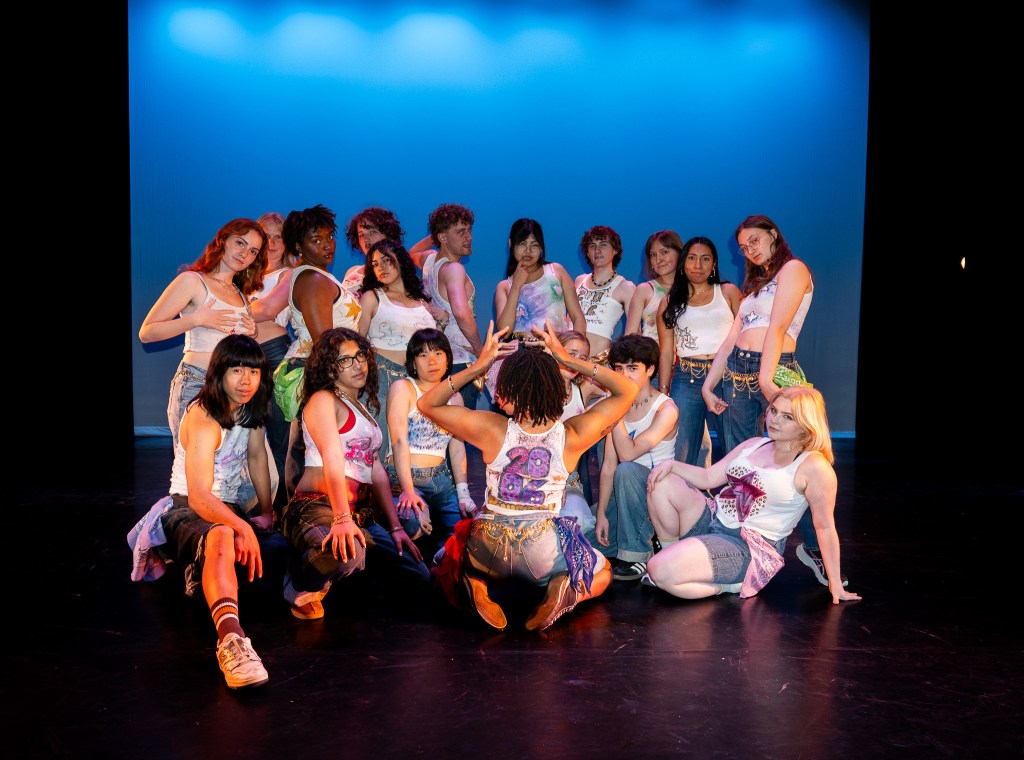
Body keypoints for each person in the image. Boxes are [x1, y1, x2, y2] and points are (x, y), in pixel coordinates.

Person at [418, 319, 638, 633]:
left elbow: (427, 403)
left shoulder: (491, 428)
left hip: (488, 545)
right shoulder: (572, 435)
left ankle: (476, 583)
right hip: (542, 549)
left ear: (512, 388)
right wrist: (568, 360)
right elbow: (628, 389)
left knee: (447, 561)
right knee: (601, 571)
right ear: (553, 387)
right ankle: (565, 589)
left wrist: (479, 366)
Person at [700, 214, 843, 587]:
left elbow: (777, 327)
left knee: (801, 461)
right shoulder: (754, 287)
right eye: (743, 246)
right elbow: (731, 341)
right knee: (743, 467)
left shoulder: (794, 269)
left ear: (773, 234)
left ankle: (816, 549)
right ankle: (738, 548)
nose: (749, 249)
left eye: (754, 240)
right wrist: (707, 387)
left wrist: (766, 378)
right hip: (736, 375)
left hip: (776, 371)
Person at [127, 335, 276, 690]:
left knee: (266, 553)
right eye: (236, 370)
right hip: (186, 507)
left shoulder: (251, 409)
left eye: (253, 372)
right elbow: (199, 497)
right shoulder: (203, 415)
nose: (246, 380)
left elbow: (257, 457)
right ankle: (232, 642)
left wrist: (267, 513)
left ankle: (195, 566)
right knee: (223, 534)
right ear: (218, 373)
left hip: (226, 507)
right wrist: (242, 528)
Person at [644, 386, 861, 605]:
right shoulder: (755, 444)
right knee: (663, 482)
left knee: (658, 569)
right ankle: (672, 558)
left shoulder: (815, 467)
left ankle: (728, 586)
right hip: (713, 518)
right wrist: (671, 465)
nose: (774, 420)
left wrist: (835, 582)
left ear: (806, 426)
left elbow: (824, 527)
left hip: (746, 546)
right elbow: (708, 477)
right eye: (774, 410)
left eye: (787, 417)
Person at [278, 328, 430, 620]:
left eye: (360, 355)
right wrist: (341, 518)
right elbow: (332, 457)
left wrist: (395, 528)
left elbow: (376, 470)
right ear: (329, 368)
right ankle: (297, 579)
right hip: (317, 506)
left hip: (358, 513)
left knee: (417, 574)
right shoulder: (323, 400)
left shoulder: (362, 409)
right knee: (349, 554)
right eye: (345, 360)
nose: (358, 364)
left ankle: (337, 571)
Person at [138, 217, 277, 510]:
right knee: (197, 479)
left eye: (253, 251)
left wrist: (250, 334)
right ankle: (194, 533)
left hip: (234, 392)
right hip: (196, 384)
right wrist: (197, 319)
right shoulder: (193, 281)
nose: (245, 253)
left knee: (244, 476)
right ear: (223, 241)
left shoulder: (241, 293)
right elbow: (147, 332)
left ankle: (233, 529)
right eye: (240, 243)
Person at [251, 204, 363, 498]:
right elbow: (325, 342)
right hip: (315, 374)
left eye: (329, 237)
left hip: (323, 371)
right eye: (316, 240)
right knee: (306, 459)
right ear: (298, 246)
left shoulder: (317, 275)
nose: (327, 245)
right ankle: (302, 515)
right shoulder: (312, 280)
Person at [386, 328, 477, 559]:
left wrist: (463, 494)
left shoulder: (455, 398)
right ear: (413, 363)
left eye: (438, 353)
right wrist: (408, 491)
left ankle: (440, 569)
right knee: (414, 525)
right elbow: (398, 441)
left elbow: (457, 447)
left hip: (441, 479)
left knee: (464, 536)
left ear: (448, 359)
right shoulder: (403, 388)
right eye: (423, 355)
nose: (432, 361)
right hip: (406, 477)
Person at [594, 334, 678, 582]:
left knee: (628, 469)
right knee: (584, 542)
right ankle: (636, 541)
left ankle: (637, 555)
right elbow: (609, 465)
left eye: (632, 368)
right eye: (619, 368)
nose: (624, 375)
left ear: (650, 370)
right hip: (626, 496)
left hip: (657, 494)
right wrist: (601, 513)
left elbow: (627, 454)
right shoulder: (617, 403)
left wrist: (616, 408)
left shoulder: (666, 409)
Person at [656, 235, 741, 466]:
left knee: (735, 447)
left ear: (714, 263)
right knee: (681, 453)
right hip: (687, 377)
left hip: (727, 376)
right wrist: (663, 391)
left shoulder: (728, 292)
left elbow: (744, 337)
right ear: (683, 263)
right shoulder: (669, 302)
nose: (698, 265)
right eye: (692, 258)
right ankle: (683, 490)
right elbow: (666, 352)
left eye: (705, 259)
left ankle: (736, 489)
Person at [357, 239, 441, 456]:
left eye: (387, 260)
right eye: (375, 264)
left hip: (417, 381)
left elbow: (433, 343)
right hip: (382, 378)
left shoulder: (422, 302)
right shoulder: (373, 297)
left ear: (401, 262)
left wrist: (442, 321)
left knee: (415, 448)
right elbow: (358, 342)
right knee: (379, 446)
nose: (381, 267)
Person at [487, 218, 587, 400]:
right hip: (520, 358)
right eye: (522, 244)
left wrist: (575, 355)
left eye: (534, 245)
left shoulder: (556, 272)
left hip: (555, 352)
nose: (528, 251)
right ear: (511, 244)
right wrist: (516, 286)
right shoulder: (505, 286)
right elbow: (505, 331)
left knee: (554, 406)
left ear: (541, 247)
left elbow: (577, 317)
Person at [416, 203, 485, 412]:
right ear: (443, 238)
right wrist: (481, 352)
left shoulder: (429, 260)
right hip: (461, 362)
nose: (469, 237)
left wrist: (438, 232)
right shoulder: (454, 269)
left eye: (469, 230)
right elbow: (462, 314)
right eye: (461, 232)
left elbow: (413, 252)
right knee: (462, 427)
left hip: (440, 361)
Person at [248, 211, 296, 507]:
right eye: (268, 238)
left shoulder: (288, 275)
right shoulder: (244, 274)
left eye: (279, 238)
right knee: (246, 432)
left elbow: (266, 310)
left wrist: (233, 309)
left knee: (279, 434)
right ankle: (255, 501)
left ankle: (280, 507)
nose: (274, 243)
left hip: (275, 354)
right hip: (243, 357)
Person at [553, 329, 607, 535]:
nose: (574, 361)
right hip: (540, 474)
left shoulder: (583, 388)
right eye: (571, 354)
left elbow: (622, 388)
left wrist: (588, 367)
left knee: (578, 522)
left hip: (570, 477)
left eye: (582, 358)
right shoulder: (540, 386)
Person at [574, 225, 636, 360]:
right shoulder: (579, 281)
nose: (597, 250)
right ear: (587, 253)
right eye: (592, 246)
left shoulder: (626, 287)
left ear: (615, 250)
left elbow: (634, 336)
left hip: (599, 363)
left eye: (603, 245)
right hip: (569, 360)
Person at [624, 230, 681, 340]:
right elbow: (630, 337)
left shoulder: (691, 289)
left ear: (679, 253)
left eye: (664, 252)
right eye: (653, 255)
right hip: (651, 350)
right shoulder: (645, 290)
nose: (658, 260)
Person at [341, 206, 405, 297]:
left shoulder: (396, 272)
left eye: (372, 232)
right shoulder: (352, 271)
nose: (366, 239)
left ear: (388, 233)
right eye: (361, 235)